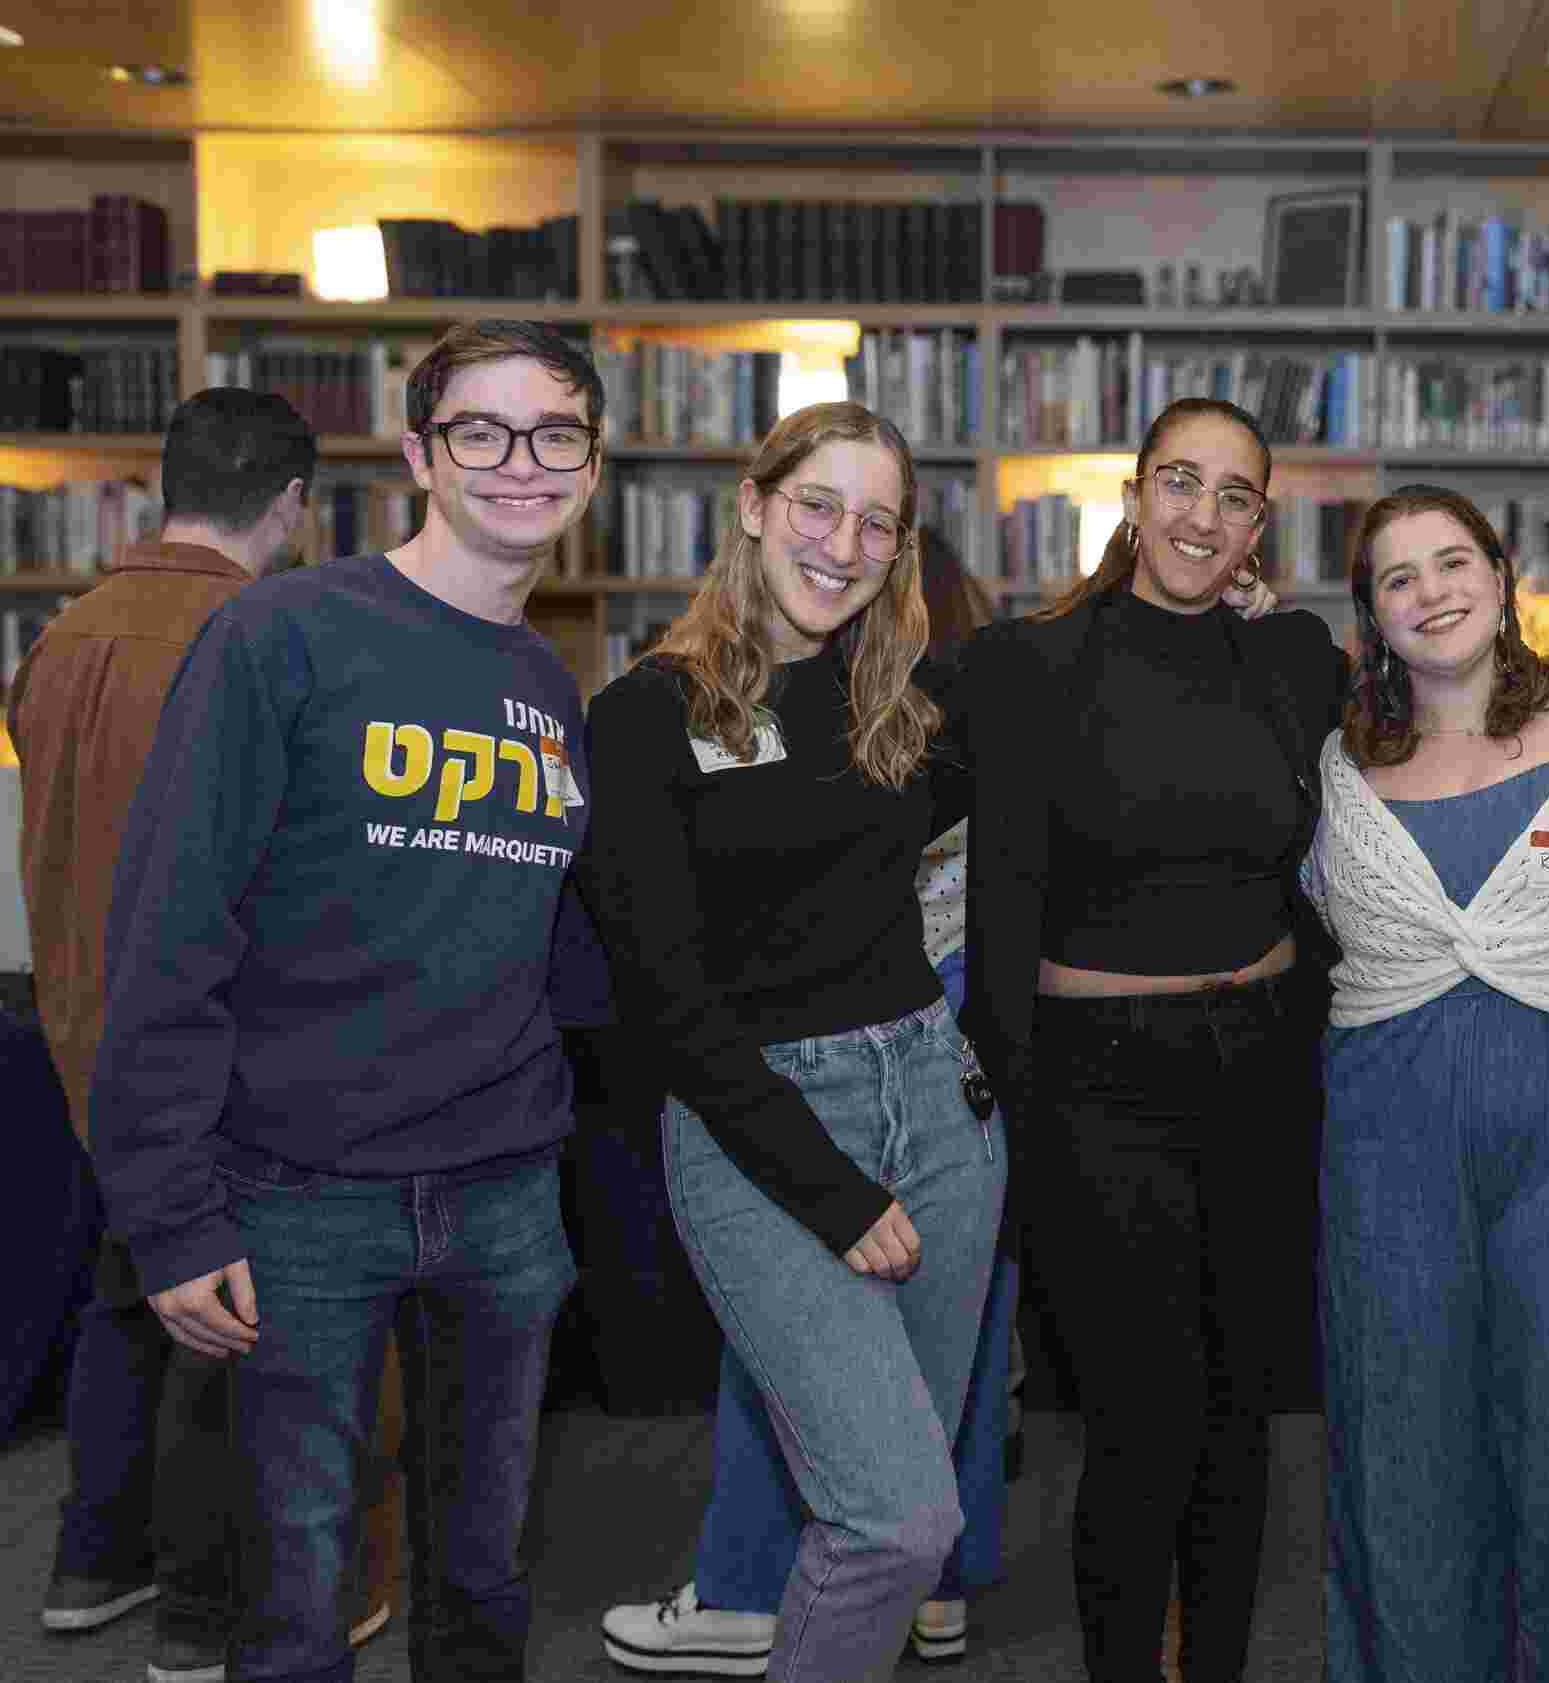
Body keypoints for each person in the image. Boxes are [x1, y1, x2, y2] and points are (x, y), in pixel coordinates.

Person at [85, 319, 605, 1683]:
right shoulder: (284, 633)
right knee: (295, 1602)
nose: (520, 461)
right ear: (420, 452)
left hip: (504, 1197)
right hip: (299, 1199)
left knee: (484, 1578)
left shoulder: (552, 689)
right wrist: (170, 1209)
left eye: (556, 432)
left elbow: (539, 943)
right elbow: (168, 925)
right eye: (481, 430)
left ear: (591, 467)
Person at [574, 402, 1003, 1683]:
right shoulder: (645, 716)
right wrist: (831, 1193)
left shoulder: (902, 705)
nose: (844, 542)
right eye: (817, 504)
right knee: (897, 1515)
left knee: (904, 1511)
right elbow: (667, 1005)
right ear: (754, 505)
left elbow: (1071, 735)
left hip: (938, 1110)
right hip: (762, 1128)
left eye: (877, 521)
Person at [11, 388, 401, 1682]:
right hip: (220, 1040)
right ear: (293, 500)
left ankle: (88, 1559)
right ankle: (199, 1609)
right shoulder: (256, 633)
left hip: (78, 1021)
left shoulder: (63, 634)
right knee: (228, 1330)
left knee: (127, 1293)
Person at [956, 395, 1341, 1683]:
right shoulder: (1030, 662)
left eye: (1236, 497)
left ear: (1258, 529)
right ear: (1130, 497)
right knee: (1141, 1421)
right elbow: (872, 763)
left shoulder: (1291, 660)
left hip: (1263, 1067)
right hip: (1097, 1084)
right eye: (1181, 482)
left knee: (1245, 1422)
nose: (1203, 515)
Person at [1306, 484, 1549, 1682]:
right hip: (1387, 1141)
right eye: (1397, 577)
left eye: (1452, 560)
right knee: (1403, 1442)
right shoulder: (1332, 767)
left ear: (1502, 570)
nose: (1432, 591)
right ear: (1370, 614)